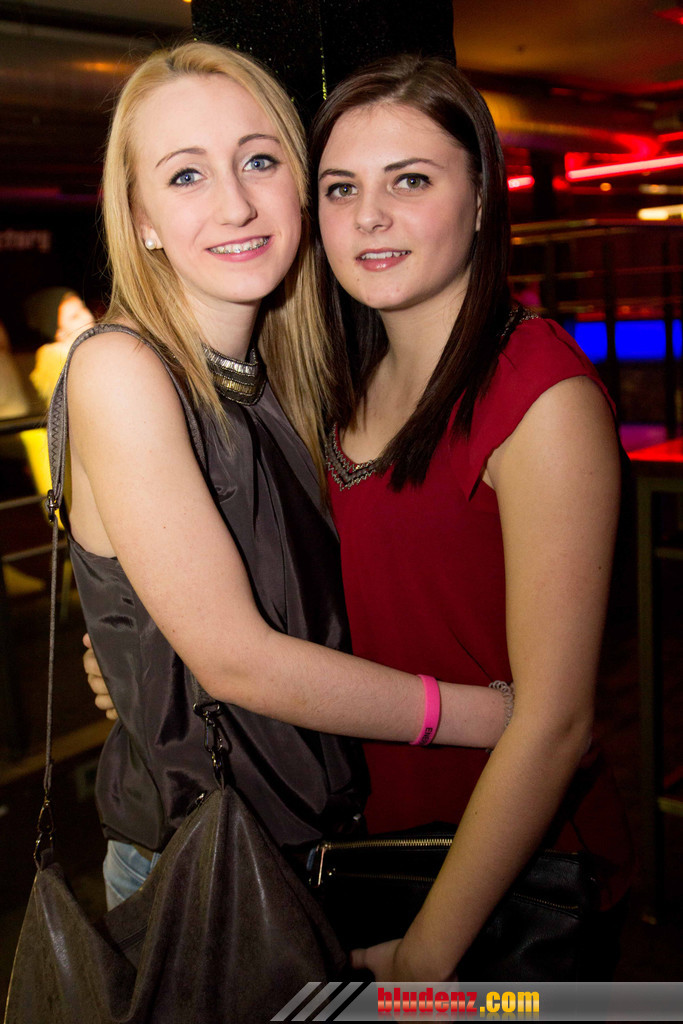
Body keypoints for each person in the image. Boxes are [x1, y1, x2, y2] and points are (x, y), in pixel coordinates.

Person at [64, 42, 507, 913]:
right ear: (140, 217)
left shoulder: (284, 376)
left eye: (259, 161)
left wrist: (142, 660)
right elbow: (237, 660)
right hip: (203, 876)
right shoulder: (120, 367)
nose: (235, 203)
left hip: (312, 851)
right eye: (186, 176)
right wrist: (499, 719)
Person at [308, 54, 633, 981]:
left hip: (500, 889)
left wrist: (425, 958)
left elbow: (556, 722)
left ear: (483, 198)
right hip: (367, 849)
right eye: (341, 187)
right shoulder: (341, 378)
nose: (368, 216)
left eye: (409, 180)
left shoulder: (539, 395)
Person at [25, 287, 94, 405]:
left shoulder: (91, 347)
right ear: (59, 332)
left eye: (84, 308)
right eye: (74, 317)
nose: (88, 317)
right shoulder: (56, 356)